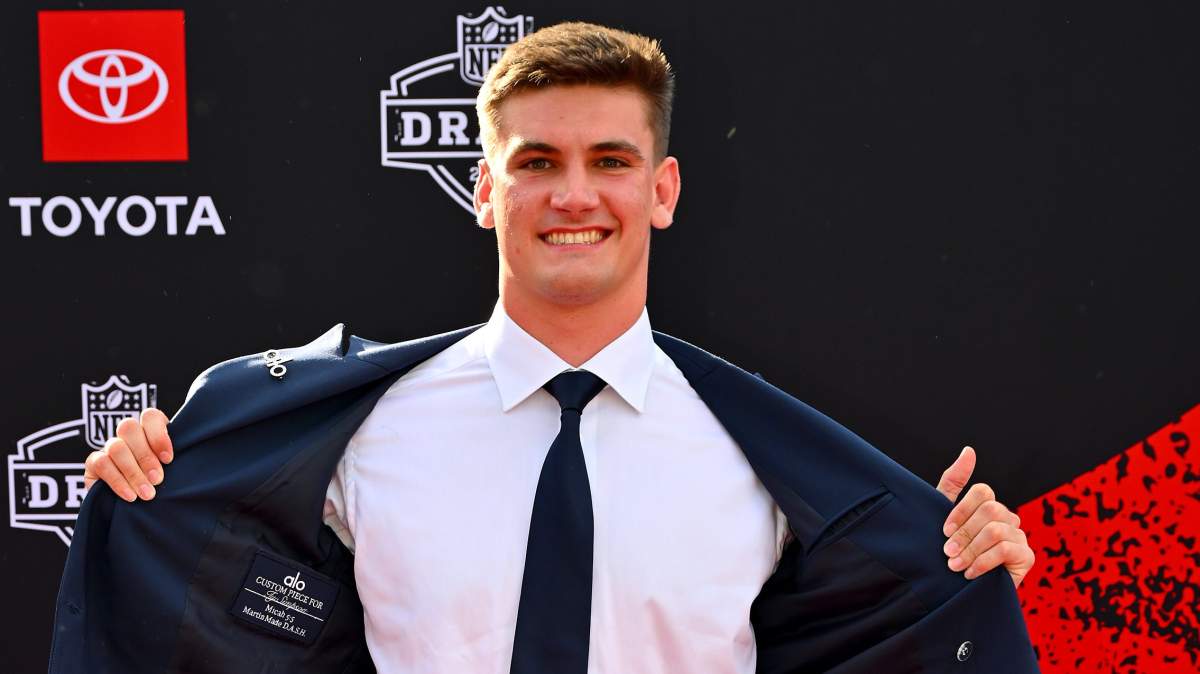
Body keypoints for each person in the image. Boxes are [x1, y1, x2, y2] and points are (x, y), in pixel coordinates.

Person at [55, 21, 1037, 674]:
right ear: (485, 191)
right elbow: (192, 598)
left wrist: (964, 566)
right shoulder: (360, 433)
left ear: (662, 190)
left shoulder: (766, 456)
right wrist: (144, 485)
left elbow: (902, 637)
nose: (574, 195)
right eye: (537, 162)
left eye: (610, 160)